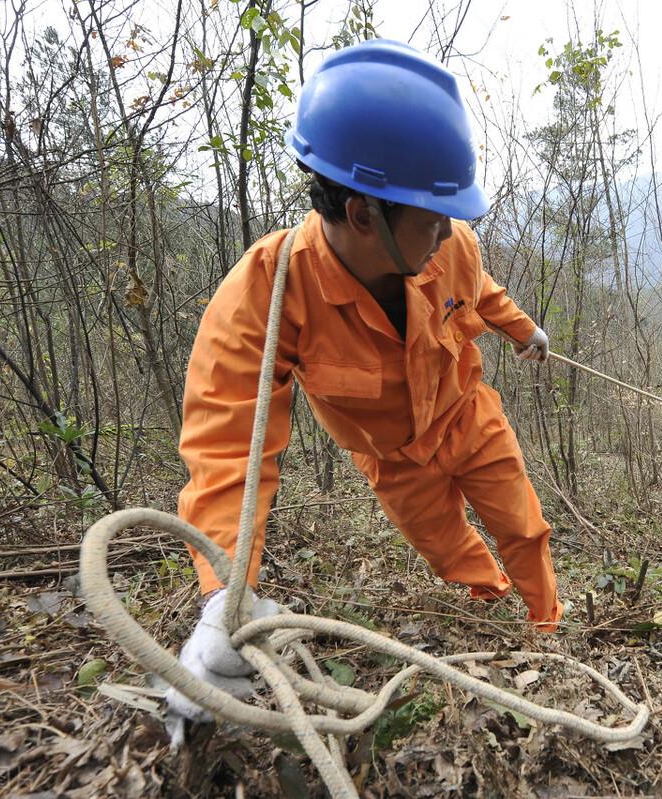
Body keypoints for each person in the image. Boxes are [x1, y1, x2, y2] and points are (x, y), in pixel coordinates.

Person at [167, 40, 561, 721]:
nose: (448, 231)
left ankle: (548, 630)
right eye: (433, 218)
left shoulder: (451, 245)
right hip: (396, 464)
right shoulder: (271, 289)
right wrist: (223, 597)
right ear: (361, 213)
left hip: (470, 419)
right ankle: (493, 609)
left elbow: (484, 295)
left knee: (523, 528)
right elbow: (229, 442)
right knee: (451, 552)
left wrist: (525, 332)